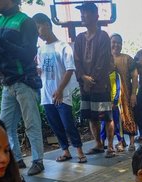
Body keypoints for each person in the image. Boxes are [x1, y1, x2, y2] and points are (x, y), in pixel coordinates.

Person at [0, 0, 45, 176]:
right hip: (6, 82)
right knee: (5, 125)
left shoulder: (26, 21)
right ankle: (16, 159)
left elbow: (27, 54)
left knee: (31, 123)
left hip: (24, 81)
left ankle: (38, 161)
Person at [33, 13, 86, 164]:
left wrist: (60, 90)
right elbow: (41, 71)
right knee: (55, 125)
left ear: (47, 24)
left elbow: (70, 70)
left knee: (68, 123)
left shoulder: (64, 46)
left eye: (38, 27)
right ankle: (65, 151)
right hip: (46, 95)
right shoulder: (40, 49)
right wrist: (35, 69)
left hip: (62, 95)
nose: (38, 32)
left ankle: (79, 150)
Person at [73, 2, 114, 158]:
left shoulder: (103, 36)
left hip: (100, 85)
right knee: (91, 115)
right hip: (85, 85)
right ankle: (98, 144)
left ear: (96, 16)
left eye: (86, 13)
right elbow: (76, 61)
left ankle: (110, 146)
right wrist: (83, 77)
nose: (83, 15)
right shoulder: (79, 38)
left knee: (107, 116)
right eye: (81, 13)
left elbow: (103, 61)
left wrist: (92, 79)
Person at [110, 33, 138, 151]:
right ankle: (121, 142)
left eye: (119, 42)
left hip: (126, 94)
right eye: (114, 42)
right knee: (116, 120)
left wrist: (133, 94)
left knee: (129, 117)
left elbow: (135, 77)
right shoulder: (106, 59)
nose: (116, 45)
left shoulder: (128, 59)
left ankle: (131, 142)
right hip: (112, 97)